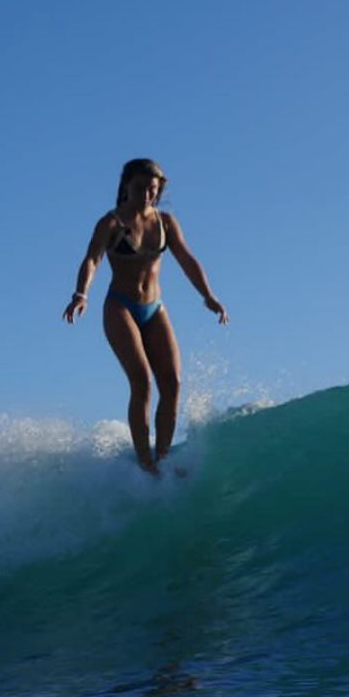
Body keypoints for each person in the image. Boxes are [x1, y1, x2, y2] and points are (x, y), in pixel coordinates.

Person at [62, 158, 228, 476]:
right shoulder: (111, 224)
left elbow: (187, 259)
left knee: (173, 382)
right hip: (119, 306)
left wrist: (208, 296)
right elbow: (92, 260)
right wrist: (81, 294)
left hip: (155, 308)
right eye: (141, 188)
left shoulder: (166, 222)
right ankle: (145, 462)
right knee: (142, 382)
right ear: (126, 187)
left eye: (153, 189)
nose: (147, 194)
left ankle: (163, 457)